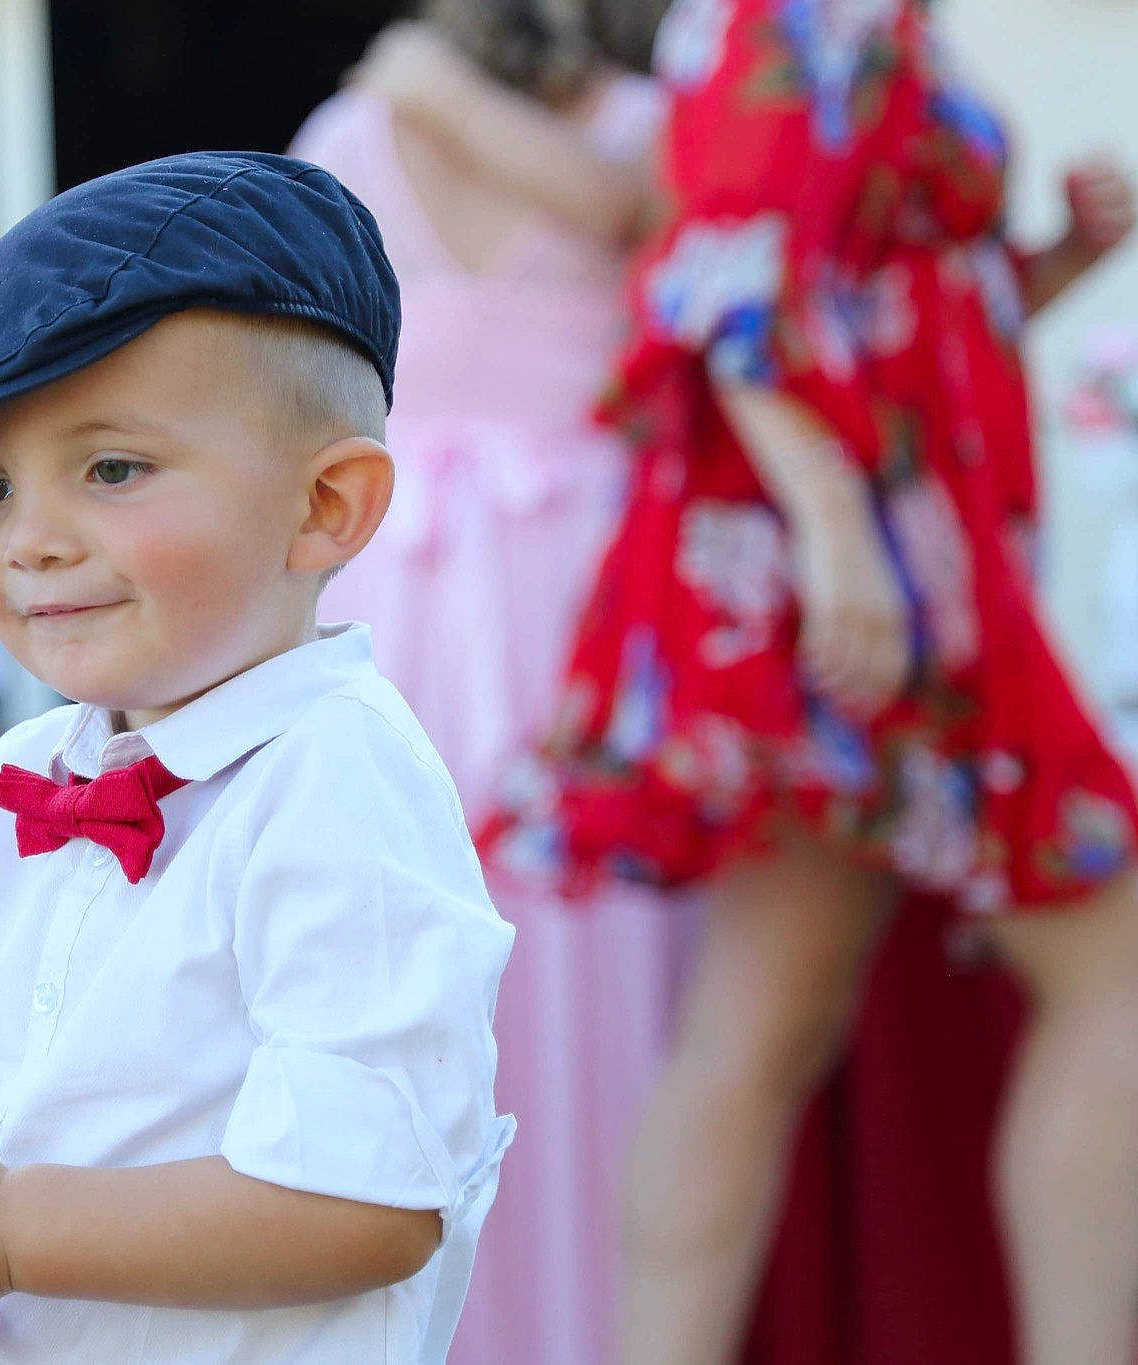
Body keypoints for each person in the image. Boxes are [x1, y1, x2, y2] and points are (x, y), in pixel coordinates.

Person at [0, 152, 515, 1365]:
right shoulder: (15, 781)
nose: (30, 539)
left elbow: (369, 1203)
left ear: (324, 509)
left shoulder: (334, 783)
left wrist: (8, 1229)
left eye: (110, 470)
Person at [477, 1, 1138, 1362]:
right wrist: (838, 532)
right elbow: (717, 275)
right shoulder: (786, 12)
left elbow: (898, 297)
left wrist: (1057, 258)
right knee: (1111, 973)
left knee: (767, 1019)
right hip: (863, 577)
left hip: (898, 564)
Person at [290, 7, 676, 1361]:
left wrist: (425, 93)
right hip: (570, 572)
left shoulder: (358, 127)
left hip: (404, 581)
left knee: (441, 944)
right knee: (563, 956)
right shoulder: (635, 127)